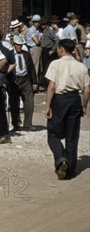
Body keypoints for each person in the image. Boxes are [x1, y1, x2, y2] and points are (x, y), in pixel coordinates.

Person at [44, 39, 90, 180]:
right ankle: (71, 170)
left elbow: (51, 86)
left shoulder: (55, 64)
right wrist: (84, 106)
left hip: (59, 100)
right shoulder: (81, 66)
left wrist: (47, 106)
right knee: (72, 136)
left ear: (61, 49)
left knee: (53, 134)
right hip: (74, 99)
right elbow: (87, 89)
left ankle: (62, 159)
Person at [9, 34, 37, 131]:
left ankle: (28, 124)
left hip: (25, 79)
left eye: (21, 45)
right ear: (14, 44)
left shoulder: (26, 54)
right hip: (15, 80)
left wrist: (34, 82)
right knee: (14, 103)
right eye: (18, 45)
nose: (20, 47)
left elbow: (32, 68)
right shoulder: (10, 54)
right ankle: (16, 124)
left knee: (29, 102)